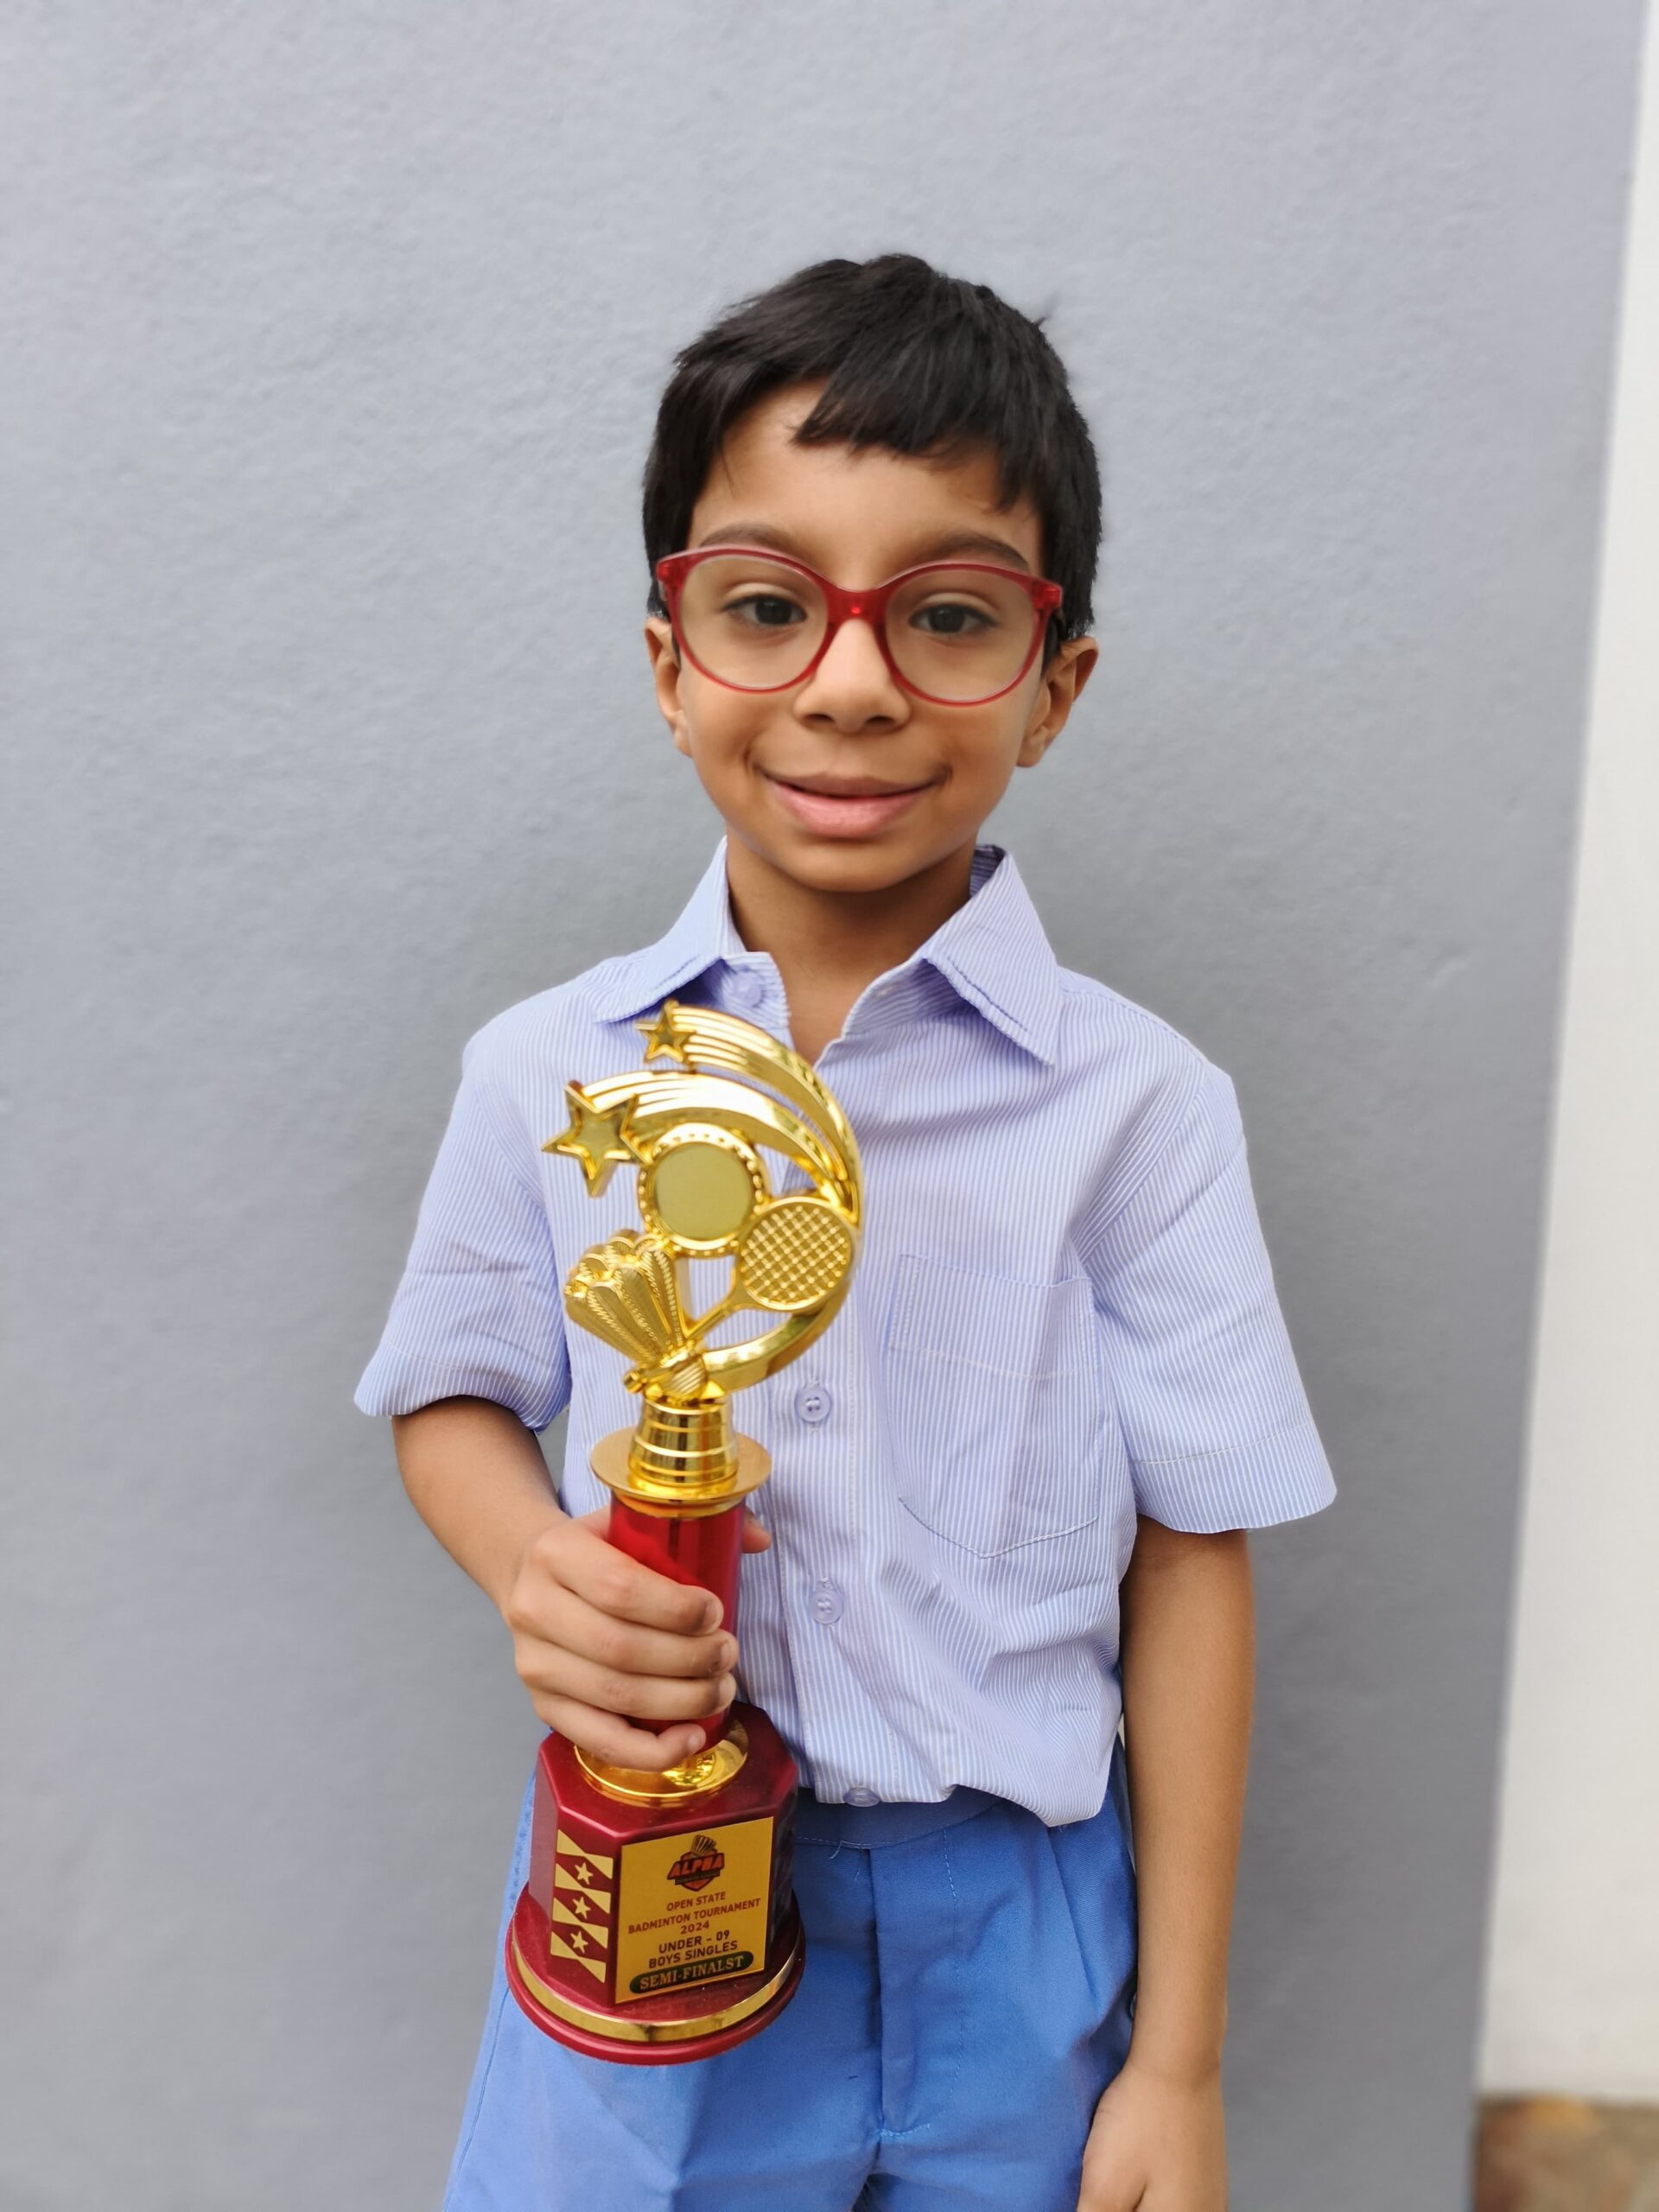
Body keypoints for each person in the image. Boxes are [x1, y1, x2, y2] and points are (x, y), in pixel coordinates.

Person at [356, 252, 1336, 2212]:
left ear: (1054, 684)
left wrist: (1180, 2055)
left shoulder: (1141, 1109)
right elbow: (447, 1397)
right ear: (667, 655)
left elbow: (1191, 1555)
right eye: (767, 604)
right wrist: (537, 1562)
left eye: (950, 611)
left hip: (1024, 1926)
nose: (855, 674)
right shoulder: (549, 1068)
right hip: (642, 1890)